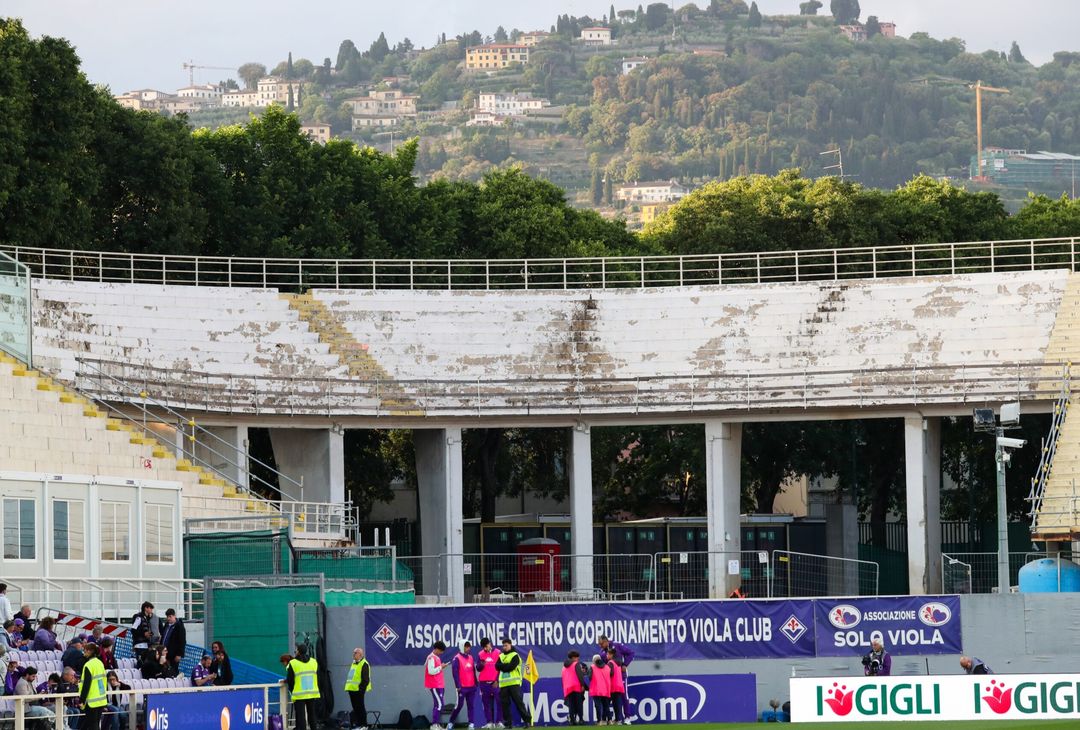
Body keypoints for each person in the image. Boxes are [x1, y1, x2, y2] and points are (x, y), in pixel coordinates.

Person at [495, 638, 531, 729]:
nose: (504, 647)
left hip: (514, 684)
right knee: (505, 705)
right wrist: (505, 666)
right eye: (503, 646)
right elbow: (496, 666)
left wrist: (502, 666)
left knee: (519, 703)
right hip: (503, 685)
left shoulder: (515, 655)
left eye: (506, 645)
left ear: (510, 645)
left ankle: (527, 721)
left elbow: (510, 667)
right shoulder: (501, 656)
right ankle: (508, 723)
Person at [597, 636, 633, 725]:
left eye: (601, 644)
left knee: (624, 696)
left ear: (606, 641)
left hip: (621, 676)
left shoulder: (617, 645)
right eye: (599, 644)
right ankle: (615, 719)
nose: (600, 646)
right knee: (611, 699)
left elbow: (631, 653)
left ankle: (627, 718)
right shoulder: (601, 653)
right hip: (610, 679)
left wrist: (625, 664)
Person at [285, 645, 321, 730]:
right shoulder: (314, 662)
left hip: (299, 694)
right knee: (312, 715)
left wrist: (292, 690)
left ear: (298, 651)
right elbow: (318, 676)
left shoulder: (293, 663)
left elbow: (290, 679)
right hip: (312, 693)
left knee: (301, 717)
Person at [449, 642, 480, 729]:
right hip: (462, 687)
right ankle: (451, 722)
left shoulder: (470, 657)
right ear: (462, 647)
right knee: (459, 706)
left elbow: (473, 671)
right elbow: (455, 673)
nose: (468, 648)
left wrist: (475, 683)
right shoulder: (456, 658)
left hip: (471, 687)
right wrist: (458, 686)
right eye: (466, 646)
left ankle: (471, 724)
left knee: (471, 706)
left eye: (469, 646)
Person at [79, 643, 108, 730]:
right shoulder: (100, 663)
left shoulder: (88, 665)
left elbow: (86, 684)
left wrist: (82, 699)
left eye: (85, 651)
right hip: (101, 699)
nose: (84, 653)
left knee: (93, 725)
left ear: (90, 651)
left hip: (91, 700)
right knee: (91, 723)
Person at [424, 641, 450, 730]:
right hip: (435, 685)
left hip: (439, 685)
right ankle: (434, 725)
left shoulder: (437, 658)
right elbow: (431, 671)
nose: (442, 653)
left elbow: (437, 670)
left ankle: (436, 725)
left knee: (437, 704)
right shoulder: (431, 657)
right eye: (441, 651)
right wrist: (441, 667)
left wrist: (441, 667)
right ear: (437, 649)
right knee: (439, 704)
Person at [344, 647, 371, 730]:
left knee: (361, 708)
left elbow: (365, 679)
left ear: (360, 654)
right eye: (353, 652)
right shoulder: (354, 663)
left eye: (355, 653)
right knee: (356, 708)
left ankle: (364, 725)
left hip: (358, 691)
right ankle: (359, 724)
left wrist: (361, 690)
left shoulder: (364, 664)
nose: (353, 654)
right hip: (352, 690)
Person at [477, 638, 501, 729]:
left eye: (487, 646)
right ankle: (489, 722)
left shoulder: (498, 652)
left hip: (495, 682)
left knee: (499, 702)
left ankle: (499, 722)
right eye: (484, 647)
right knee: (486, 703)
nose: (486, 649)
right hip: (484, 682)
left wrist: (497, 680)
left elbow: (500, 668)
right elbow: (478, 668)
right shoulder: (480, 654)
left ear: (489, 644)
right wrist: (481, 665)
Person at [561, 651, 588, 726]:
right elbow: (580, 675)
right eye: (577, 657)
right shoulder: (576, 664)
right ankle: (581, 720)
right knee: (579, 704)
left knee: (571, 705)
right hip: (576, 687)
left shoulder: (563, 667)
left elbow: (562, 678)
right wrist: (582, 685)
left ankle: (572, 721)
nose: (578, 658)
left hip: (568, 688)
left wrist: (564, 687)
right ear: (573, 657)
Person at [605, 650, 626, 725]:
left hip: (612, 686)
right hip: (619, 685)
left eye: (607, 654)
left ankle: (609, 720)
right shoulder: (619, 663)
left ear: (611, 655)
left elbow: (611, 673)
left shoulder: (610, 663)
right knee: (617, 704)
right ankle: (618, 720)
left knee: (606, 703)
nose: (606, 655)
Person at [588, 655, 610, 726]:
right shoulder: (607, 667)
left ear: (594, 661)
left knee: (598, 706)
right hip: (605, 689)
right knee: (606, 705)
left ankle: (599, 721)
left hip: (596, 689)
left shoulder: (592, 667)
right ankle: (608, 720)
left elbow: (590, 677)